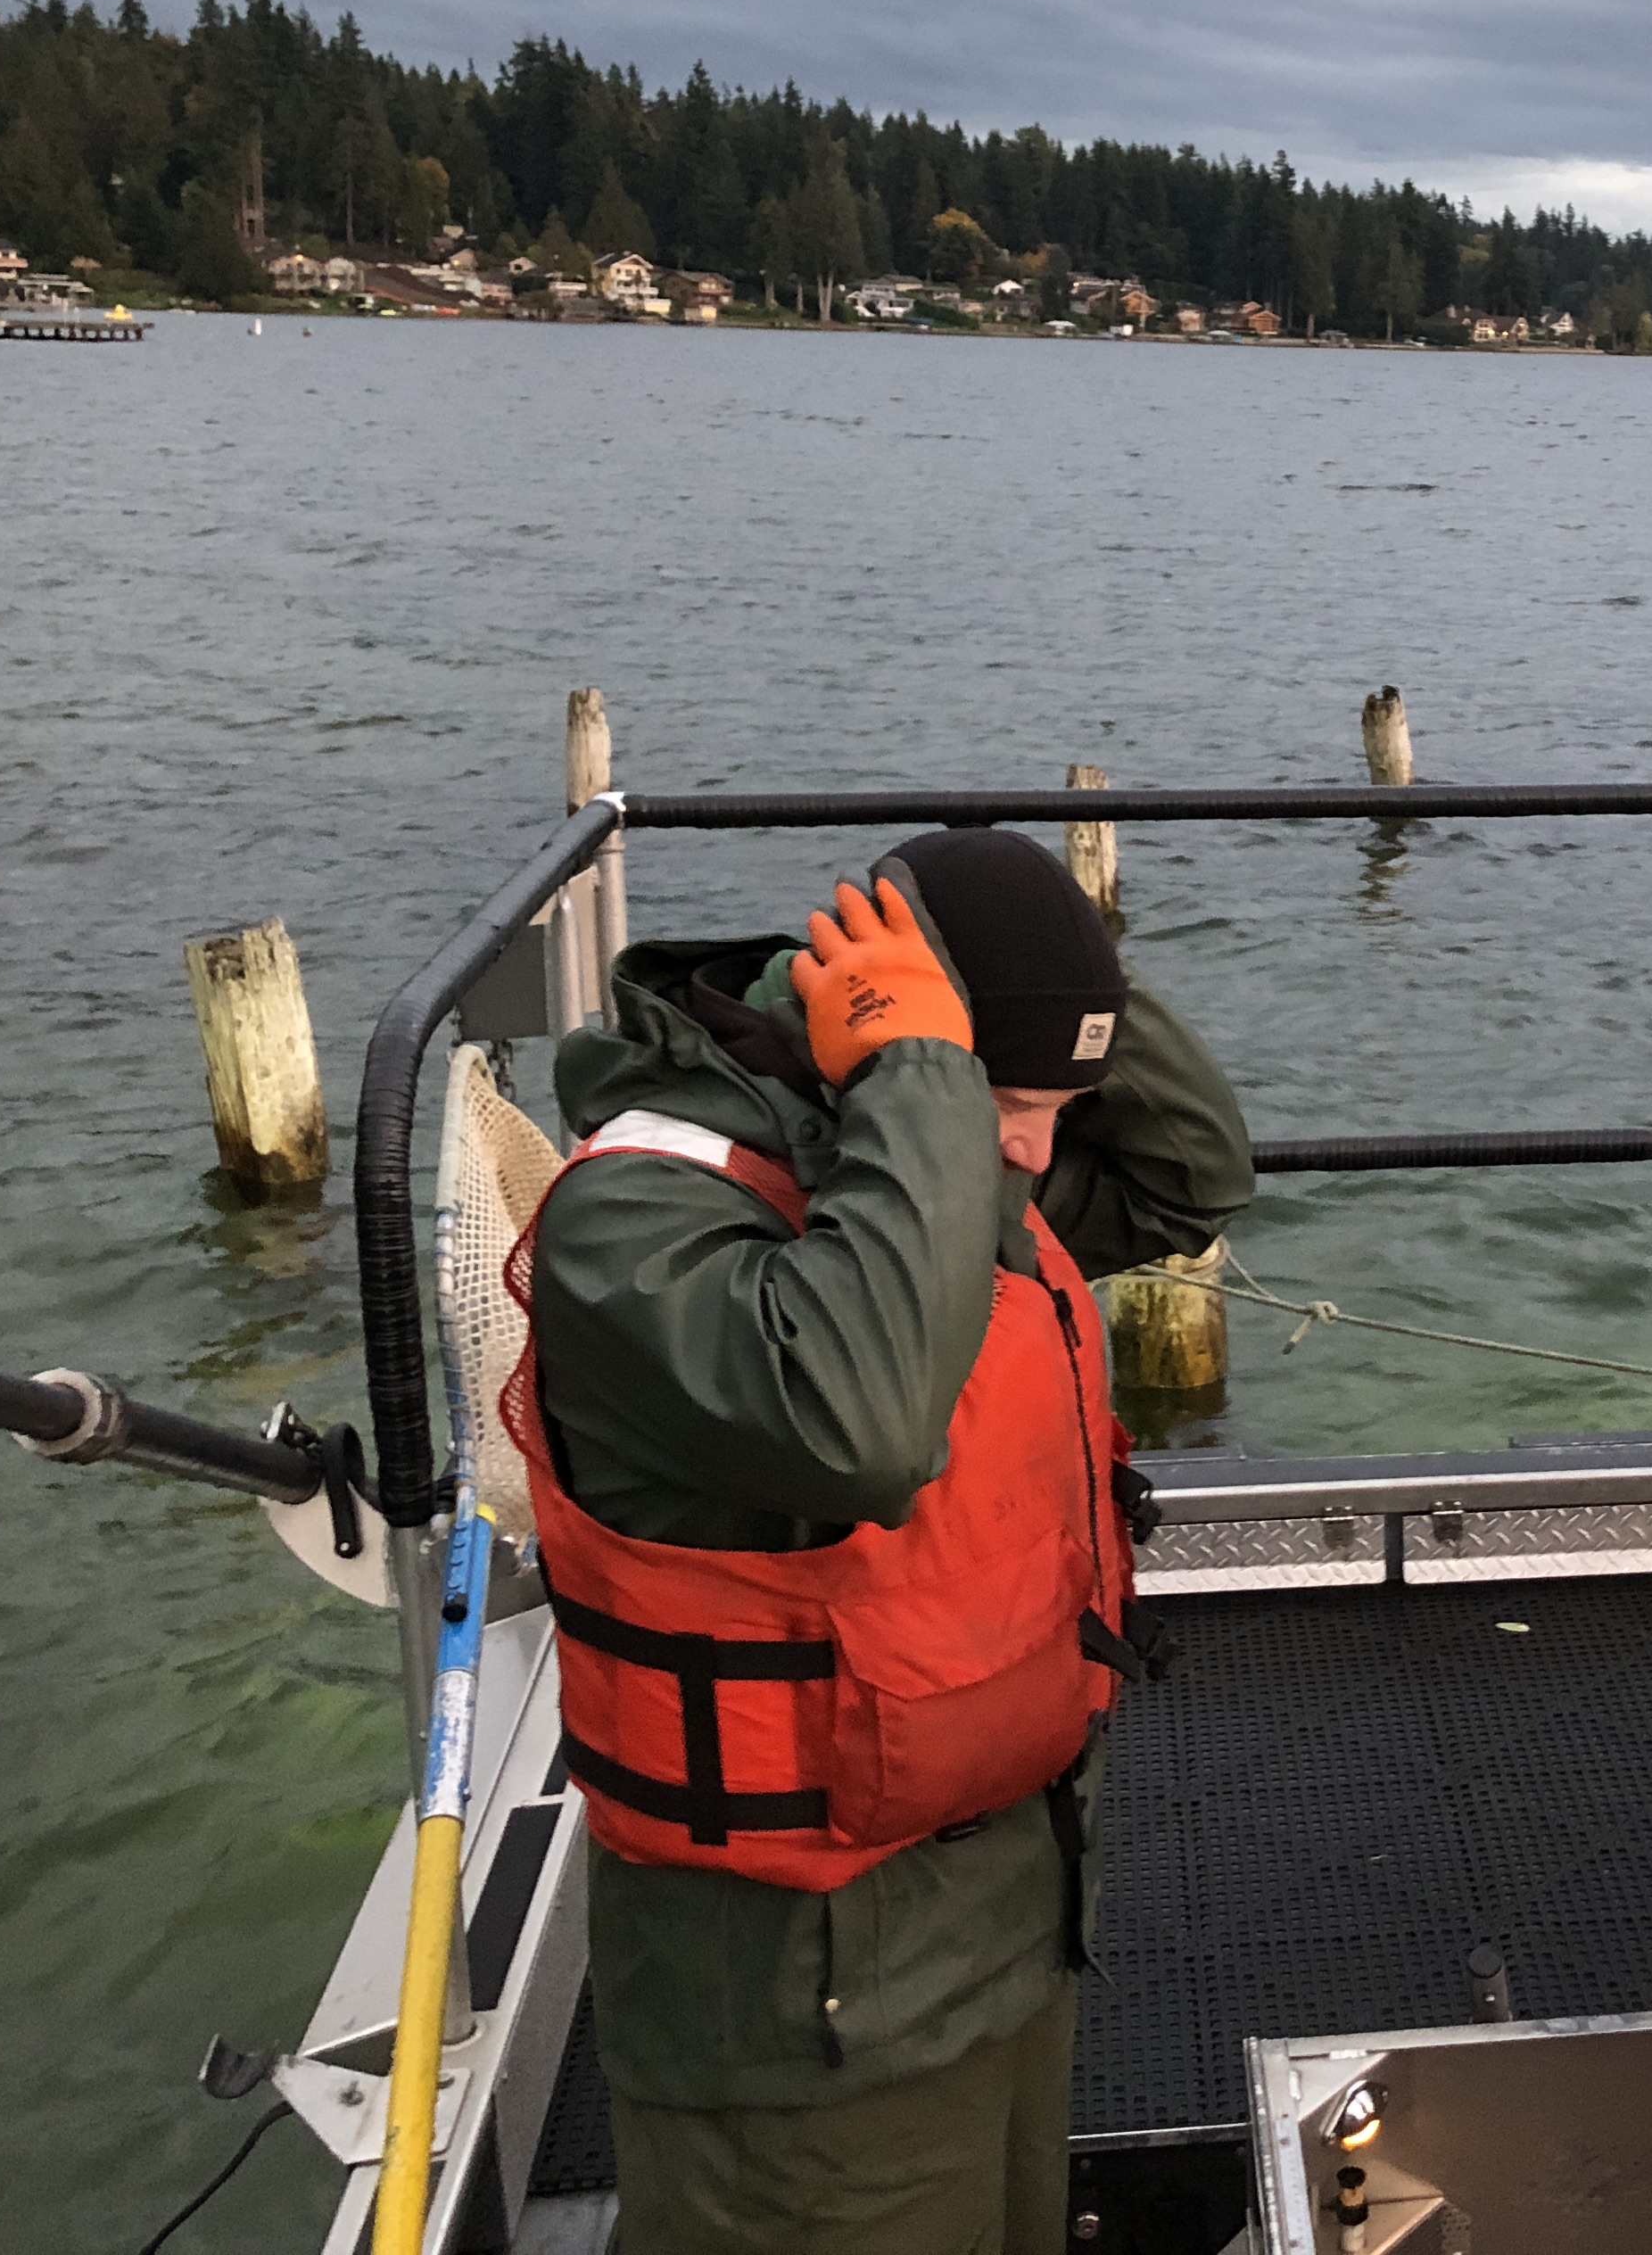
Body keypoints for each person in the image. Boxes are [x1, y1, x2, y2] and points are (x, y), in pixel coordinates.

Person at [511, 830, 1253, 2255]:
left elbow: (1187, 1179)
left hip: (1003, 1930)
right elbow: (853, 1424)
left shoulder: (930, 1171)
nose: (1037, 1153)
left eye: (1059, 1108)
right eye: (1015, 1107)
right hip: (803, 2016)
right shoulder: (640, 1214)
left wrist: (1050, 979)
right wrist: (925, 1077)